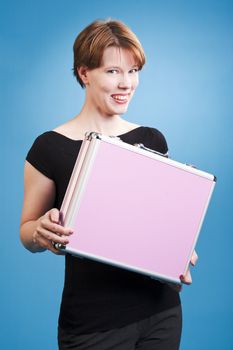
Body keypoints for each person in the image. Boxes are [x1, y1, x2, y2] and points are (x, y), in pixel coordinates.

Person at [20, 19, 198, 350]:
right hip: (93, 324)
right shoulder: (48, 147)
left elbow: (159, 221)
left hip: (161, 313)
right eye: (113, 71)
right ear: (85, 73)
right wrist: (39, 232)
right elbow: (27, 232)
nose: (127, 83)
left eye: (133, 71)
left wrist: (179, 250)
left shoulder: (152, 139)